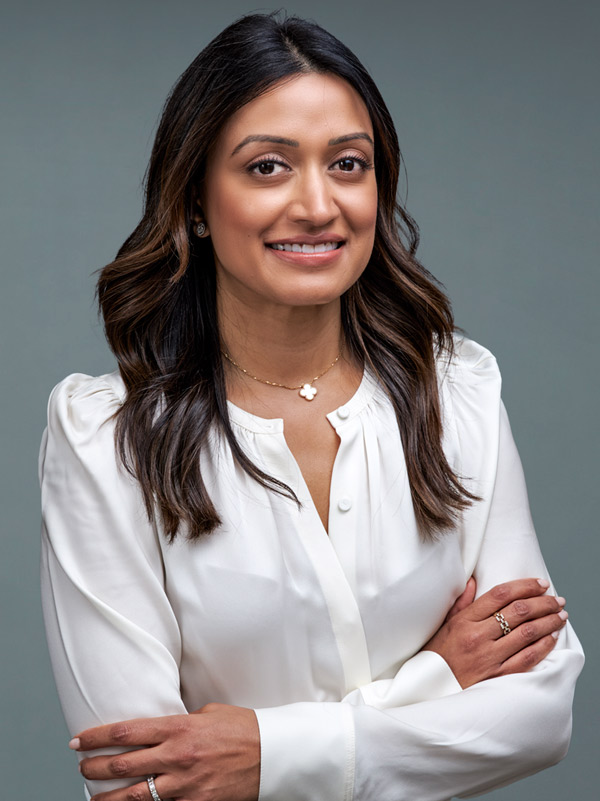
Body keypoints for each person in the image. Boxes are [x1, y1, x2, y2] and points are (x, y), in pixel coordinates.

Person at [39, 13, 583, 801]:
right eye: (267, 167)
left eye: (349, 164)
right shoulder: (107, 439)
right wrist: (439, 677)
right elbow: (143, 780)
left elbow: (542, 710)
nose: (318, 204)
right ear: (194, 200)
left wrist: (262, 750)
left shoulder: (457, 392)